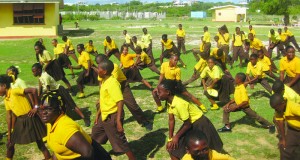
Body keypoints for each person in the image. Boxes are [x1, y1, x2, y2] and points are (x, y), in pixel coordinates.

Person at [156, 80, 223, 160]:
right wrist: (170, 138)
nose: (157, 94)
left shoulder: (179, 103)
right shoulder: (169, 102)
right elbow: (171, 120)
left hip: (200, 124)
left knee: (204, 154)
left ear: (167, 92)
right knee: (172, 149)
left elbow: (187, 124)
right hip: (190, 124)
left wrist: (176, 137)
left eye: (159, 92)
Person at [39, 91, 111, 160]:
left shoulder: (65, 128)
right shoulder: (50, 123)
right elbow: (58, 151)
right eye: (41, 109)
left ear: (60, 109)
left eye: (49, 109)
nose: (43, 112)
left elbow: (88, 153)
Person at [91, 59, 136, 160]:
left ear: (105, 71)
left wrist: (119, 121)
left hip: (113, 116)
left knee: (120, 141)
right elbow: (104, 101)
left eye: (99, 69)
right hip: (104, 115)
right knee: (95, 135)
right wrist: (98, 114)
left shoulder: (112, 83)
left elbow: (120, 101)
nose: (97, 70)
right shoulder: (104, 81)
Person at [94, 54, 153, 131]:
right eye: (98, 64)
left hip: (122, 87)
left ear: (106, 60)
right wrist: (101, 96)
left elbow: (112, 82)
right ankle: (106, 123)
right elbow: (101, 82)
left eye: (100, 62)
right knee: (100, 104)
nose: (99, 65)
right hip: (110, 89)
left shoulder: (113, 67)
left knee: (132, 105)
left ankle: (144, 121)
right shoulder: (101, 69)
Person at [0, 75, 51, 160]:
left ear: (4, 86)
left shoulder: (14, 92)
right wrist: (9, 133)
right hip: (20, 121)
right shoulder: (6, 100)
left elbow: (33, 90)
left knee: (40, 143)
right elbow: (9, 116)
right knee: (10, 144)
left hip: (31, 118)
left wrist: (35, 107)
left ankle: (48, 158)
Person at [31, 63, 90, 127]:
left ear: (39, 70)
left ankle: (85, 118)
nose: (33, 73)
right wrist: (39, 97)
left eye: (34, 71)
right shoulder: (40, 77)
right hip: (53, 92)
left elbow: (48, 90)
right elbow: (40, 87)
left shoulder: (44, 76)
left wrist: (45, 100)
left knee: (72, 105)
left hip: (60, 90)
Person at [269, 93, 300, 160]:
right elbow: (280, 122)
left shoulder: (294, 107)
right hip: (293, 129)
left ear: (283, 103)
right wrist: (283, 139)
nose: (275, 110)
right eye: (274, 109)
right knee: (284, 147)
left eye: (276, 108)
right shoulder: (279, 110)